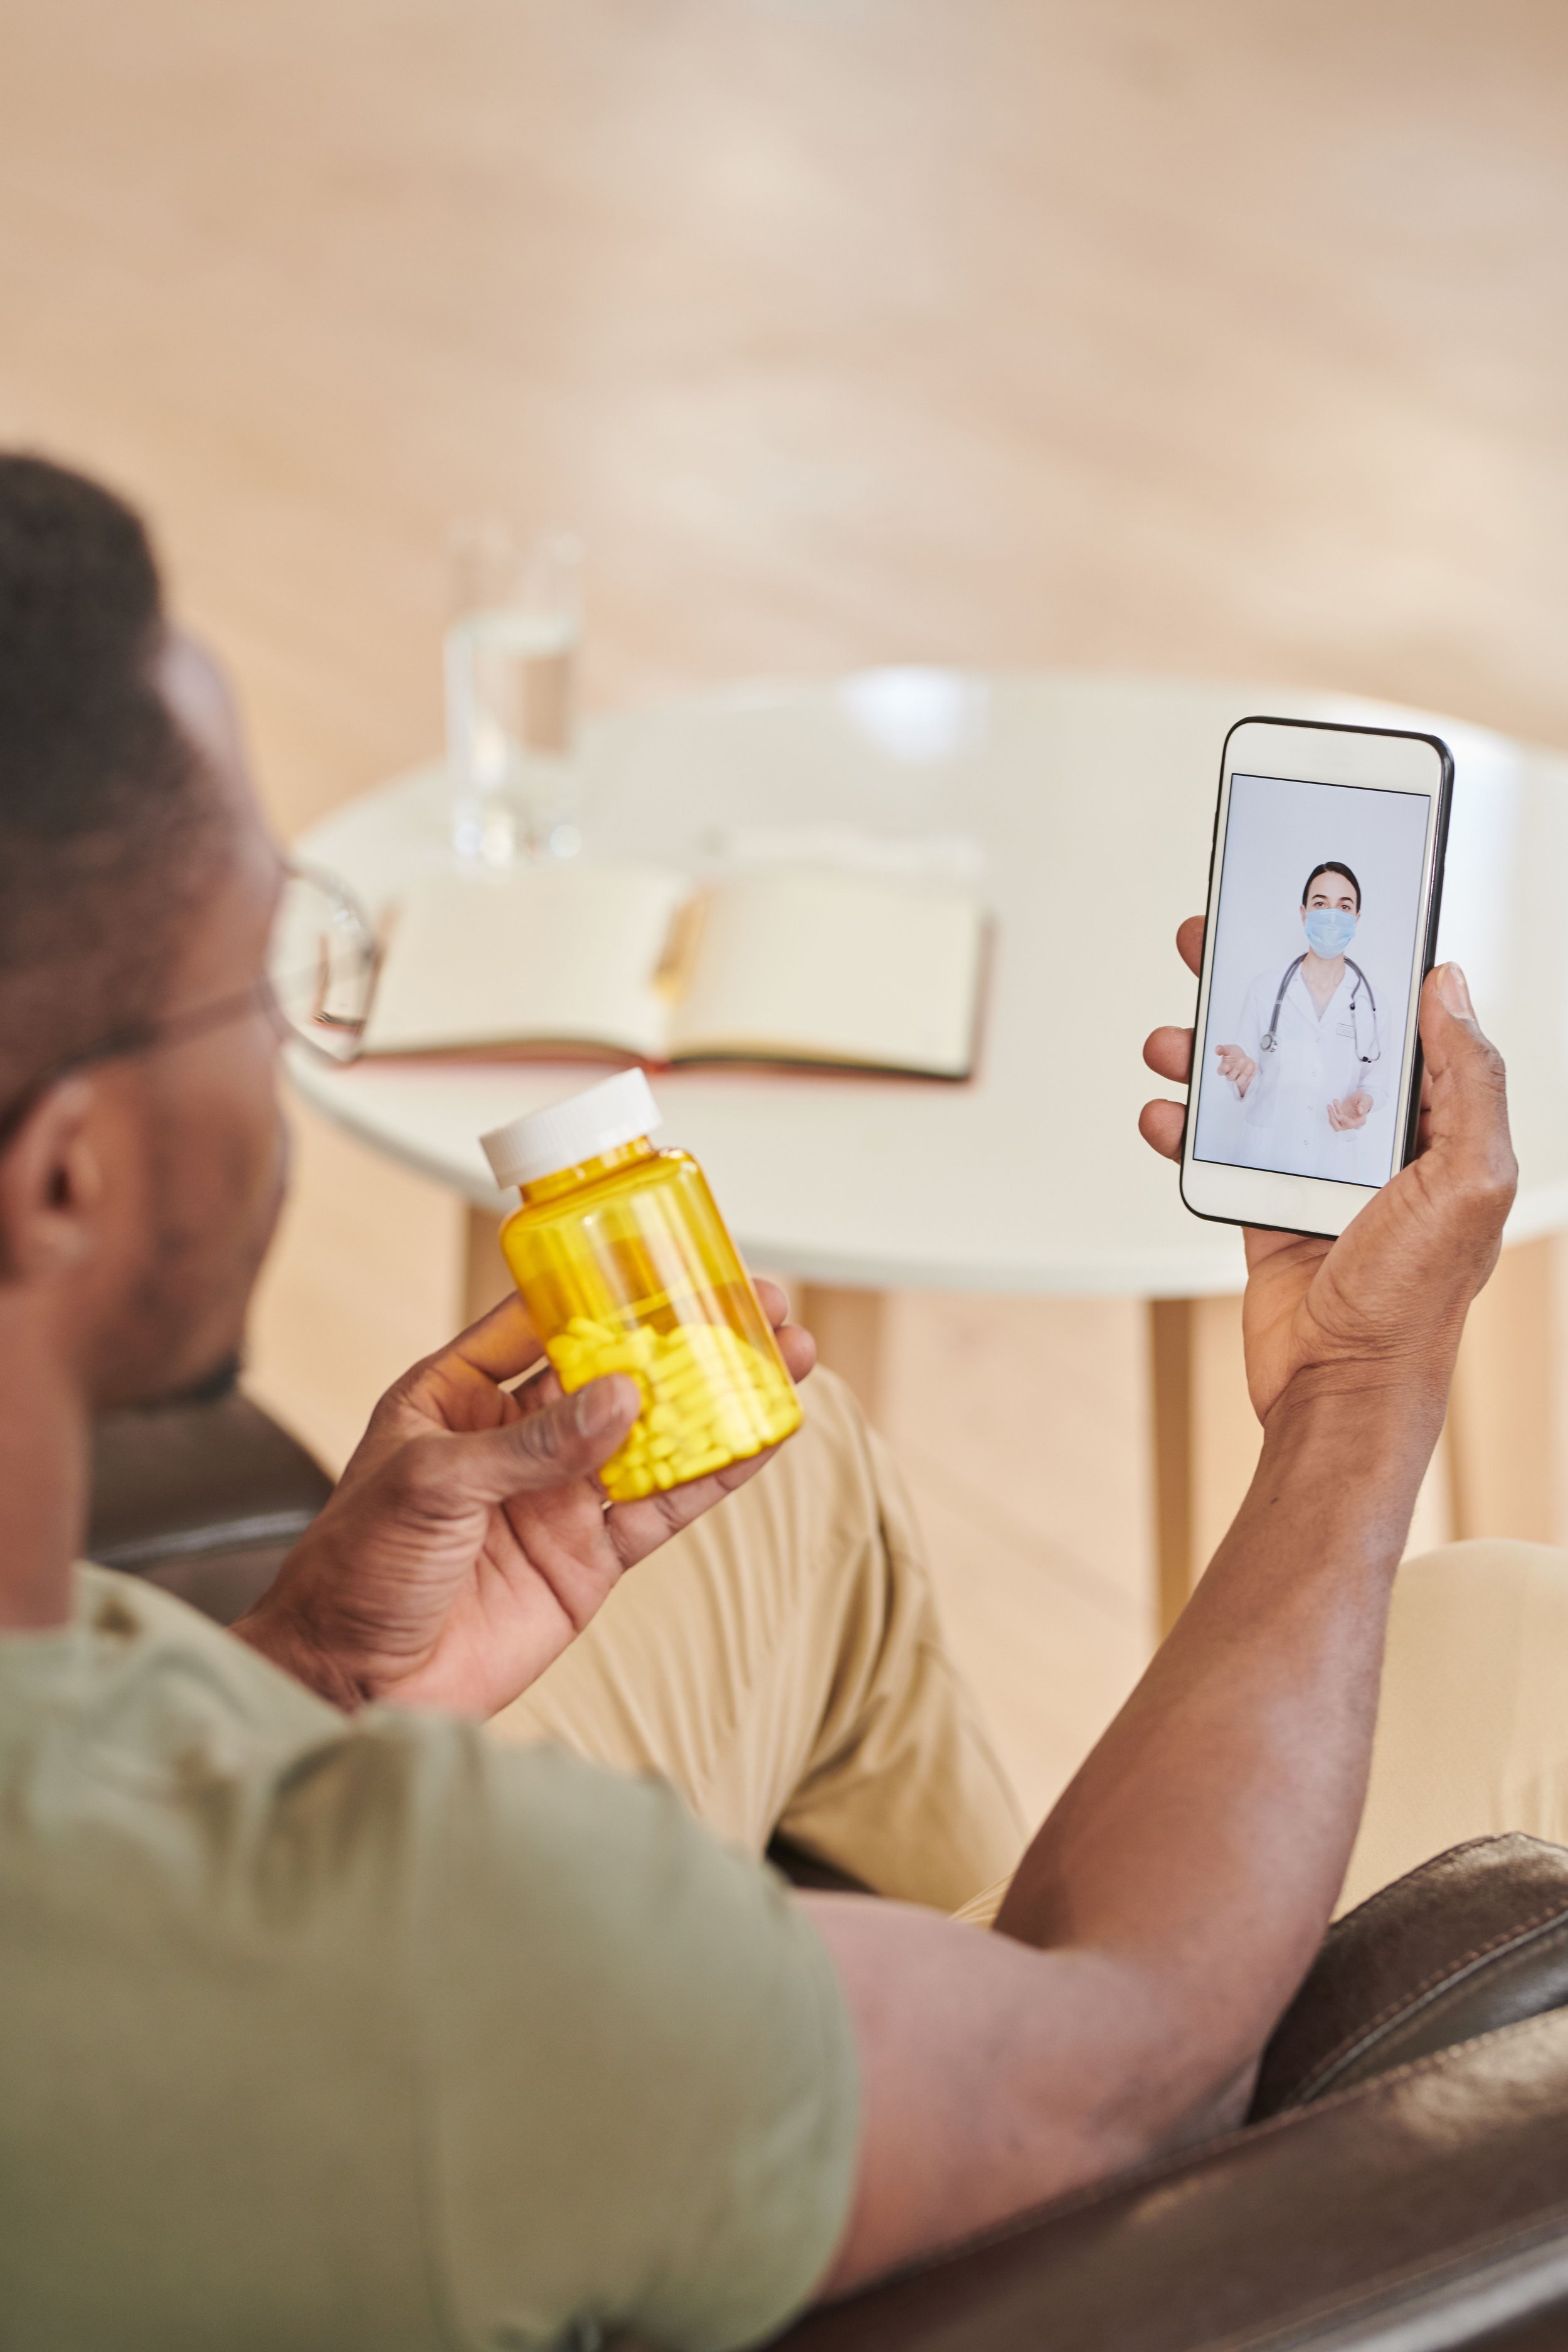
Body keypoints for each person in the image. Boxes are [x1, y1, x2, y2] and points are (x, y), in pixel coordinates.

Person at [0, 450, 1552, 2349]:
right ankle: (924, 2047)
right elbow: (1130, 2066)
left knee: (770, 1458)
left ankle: (942, 1979)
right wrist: (1352, 1389)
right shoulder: (408, 1963)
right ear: (63, 1174)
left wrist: (303, 1669)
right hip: (787, 2114)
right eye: (259, 964)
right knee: (1513, 1636)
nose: (292, 1012)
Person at [1214, 860, 1386, 1183]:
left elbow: (1377, 1082)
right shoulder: (1264, 989)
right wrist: (1240, 1074)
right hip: (1266, 1157)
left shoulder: (1374, 1004)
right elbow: (1245, 1075)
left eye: (1344, 906)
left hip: (1334, 1161)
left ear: (1357, 919)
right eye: (1320, 904)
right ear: (1304, 913)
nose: (1332, 915)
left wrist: (1366, 1101)